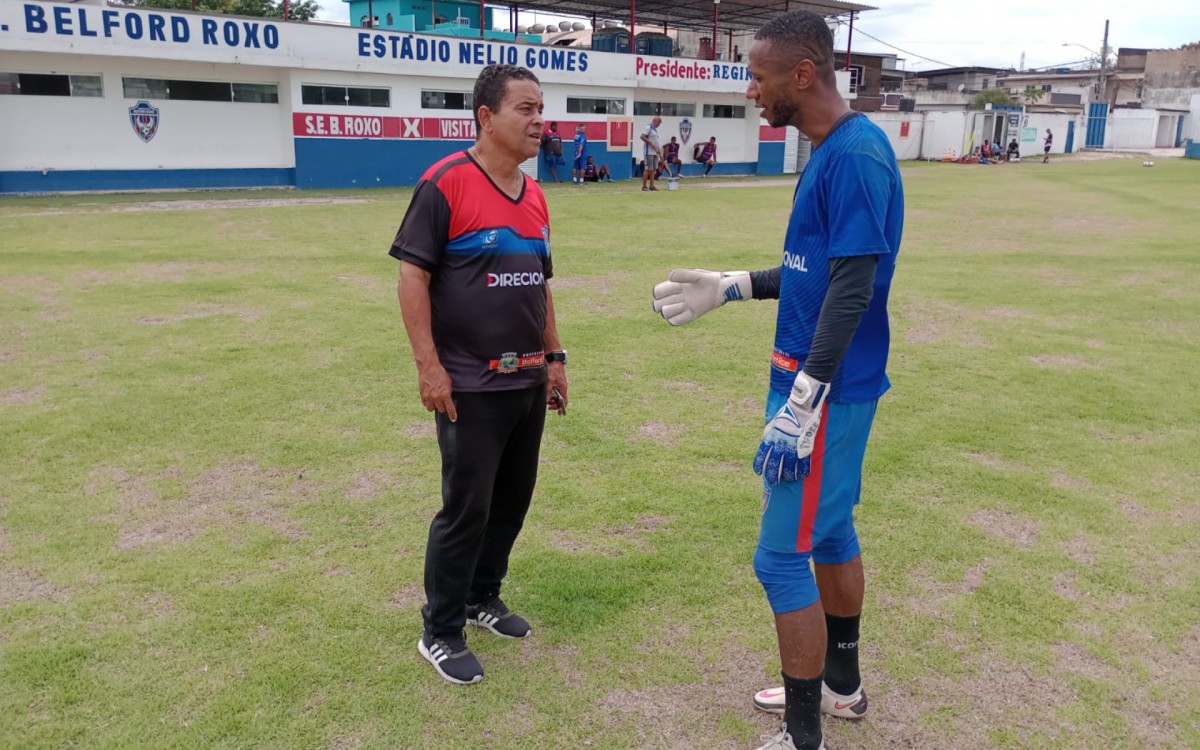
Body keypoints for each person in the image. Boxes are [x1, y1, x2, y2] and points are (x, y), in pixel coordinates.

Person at [651, 10, 903, 750]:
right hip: (821, 386)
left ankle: (802, 736)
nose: (752, 92)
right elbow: (811, 275)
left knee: (779, 556)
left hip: (820, 393)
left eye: (758, 76)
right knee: (828, 535)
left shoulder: (856, 155)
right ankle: (843, 687)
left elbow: (853, 288)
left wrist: (803, 403)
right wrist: (734, 285)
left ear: (802, 74)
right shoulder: (832, 149)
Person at [390, 64, 569, 687]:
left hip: (523, 382)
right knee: (466, 509)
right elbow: (412, 277)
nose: (538, 120)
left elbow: (540, 283)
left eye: (541, 108)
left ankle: (482, 597)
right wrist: (429, 367)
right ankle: (440, 630)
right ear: (486, 117)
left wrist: (554, 358)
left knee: (512, 503)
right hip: (468, 384)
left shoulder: (537, 193)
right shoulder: (445, 183)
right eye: (525, 109)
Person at [640, 115, 664, 191]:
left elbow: (656, 143)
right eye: (659, 123)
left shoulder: (655, 130)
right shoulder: (648, 127)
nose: (659, 125)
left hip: (655, 153)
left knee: (653, 170)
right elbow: (642, 136)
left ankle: (652, 185)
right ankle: (644, 186)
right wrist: (650, 142)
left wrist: (660, 154)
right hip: (649, 152)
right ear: (656, 121)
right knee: (647, 169)